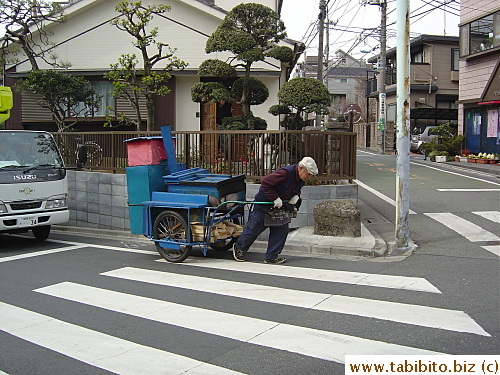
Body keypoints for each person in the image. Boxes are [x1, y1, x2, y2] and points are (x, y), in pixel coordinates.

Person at [232, 156, 318, 264]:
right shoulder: (285, 173)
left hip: (281, 206)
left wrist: (296, 196)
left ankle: (271, 256)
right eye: (308, 174)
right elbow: (265, 182)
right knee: (254, 228)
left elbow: (297, 189)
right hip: (265, 204)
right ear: (301, 168)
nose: (309, 177)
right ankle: (240, 248)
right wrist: (275, 198)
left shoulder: (300, 179)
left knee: (281, 230)